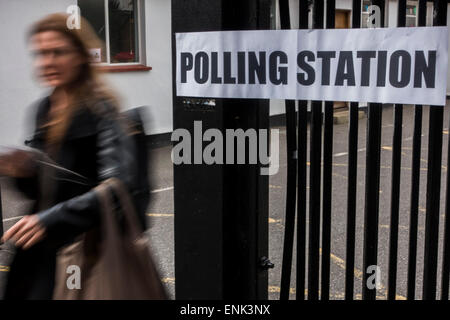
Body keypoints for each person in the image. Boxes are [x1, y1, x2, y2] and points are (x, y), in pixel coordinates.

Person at [0, 13, 141, 299]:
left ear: (80, 55)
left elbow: (117, 187)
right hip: (40, 250)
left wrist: (51, 219)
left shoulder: (103, 113)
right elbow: (45, 189)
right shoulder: (44, 109)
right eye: (40, 53)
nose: (47, 62)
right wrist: (23, 170)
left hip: (83, 249)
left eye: (57, 52)